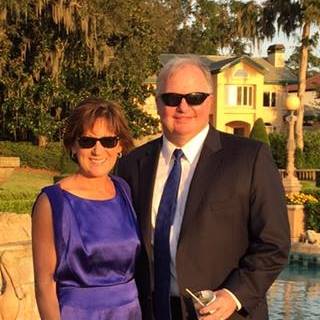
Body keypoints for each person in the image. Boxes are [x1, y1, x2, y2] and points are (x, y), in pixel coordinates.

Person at [116, 57, 291, 320]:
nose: (183, 107)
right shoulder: (132, 165)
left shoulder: (249, 158)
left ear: (209, 101)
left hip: (223, 313)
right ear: (157, 103)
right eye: (172, 98)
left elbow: (273, 243)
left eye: (194, 97)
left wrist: (233, 295)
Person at [32, 98, 142, 319]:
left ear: (120, 146)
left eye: (108, 141)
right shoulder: (52, 202)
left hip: (130, 312)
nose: (97, 150)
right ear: (73, 145)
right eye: (87, 141)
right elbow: (44, 285)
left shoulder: (123, 190)